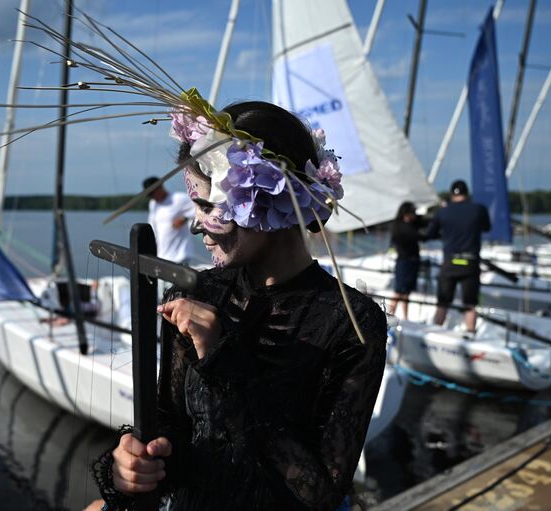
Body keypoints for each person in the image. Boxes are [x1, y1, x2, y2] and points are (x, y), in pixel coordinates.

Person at [91, 101, 387, 510]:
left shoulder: (351, 323)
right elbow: (172, 425)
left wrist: (223, 358)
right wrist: (134, 464)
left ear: (262, 199)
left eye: (208, 205)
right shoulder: (194, 295)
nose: (196, 225)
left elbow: (320, 493)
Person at [423, 179, 490, 336]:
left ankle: (435, 332)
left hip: (450, 262)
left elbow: (429, 234)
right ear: (467, 194)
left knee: (443, 303)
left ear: (452, 195)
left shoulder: (443, 211)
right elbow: (487, 227)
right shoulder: (478, 209)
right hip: (470, 262)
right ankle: (471, 334)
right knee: (470, 304)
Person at [144, 177, 196, 266]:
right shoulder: (153, 204)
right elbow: (152, 224)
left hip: (180, 255)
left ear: (160, 188)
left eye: (153, 193)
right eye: (150, 195)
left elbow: (200, 209)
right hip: (162, 256)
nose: (152, 197)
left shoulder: (179, 198)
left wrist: (184, 218)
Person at [388, 201, 423, 319]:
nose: (414, 215)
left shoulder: (410, 224)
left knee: (406, 292)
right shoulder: (401, 226)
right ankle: (389, 315)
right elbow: (419, 236)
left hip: (412, 260)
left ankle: (405, 317)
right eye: (412, 212)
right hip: (404, 261)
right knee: (399, 291)